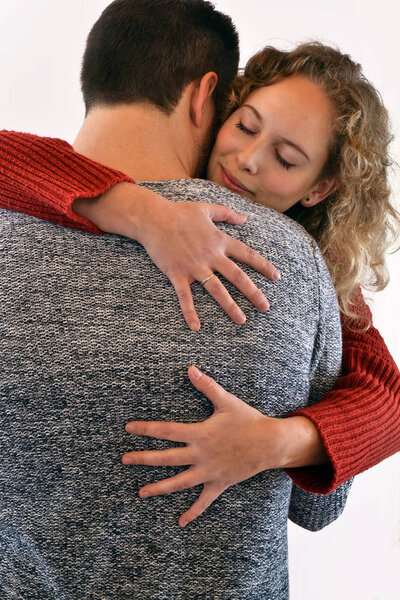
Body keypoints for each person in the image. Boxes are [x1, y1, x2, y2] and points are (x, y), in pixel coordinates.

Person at [0, 1, 352, 598]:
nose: (247, 160)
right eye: (243, 125)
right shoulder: (289, 262)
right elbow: (319, 507)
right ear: (205, 98)